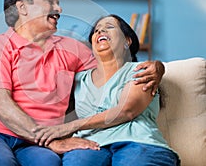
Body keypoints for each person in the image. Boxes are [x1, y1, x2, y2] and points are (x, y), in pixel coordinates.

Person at [0, 0, 165, 166]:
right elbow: (0, 105)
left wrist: (158, 68)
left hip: (36, 145)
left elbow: (113, 67)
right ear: (22, 7)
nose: (59, 8)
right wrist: (53, 139)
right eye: (50, 1)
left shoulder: (73, 49)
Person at [33, 14, 180, 165]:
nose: (100, 32)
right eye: (96, 31)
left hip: (138, 142)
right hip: (88, 145)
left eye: (109, 27)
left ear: (127, 41)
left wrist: (72, 126)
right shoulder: (77, 79)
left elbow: (126, 111)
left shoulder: (142, 70)